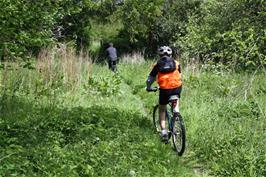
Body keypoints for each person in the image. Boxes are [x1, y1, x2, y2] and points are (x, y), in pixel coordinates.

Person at [146, 46, 182, 141]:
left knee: (162, 109)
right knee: (176, 97)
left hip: (165, 90)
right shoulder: (176, 63)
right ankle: (176, 112)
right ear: (171, 54)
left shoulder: (157, 65)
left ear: (160, 55)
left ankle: (164, 132)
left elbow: (150, 79)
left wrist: (149, 87)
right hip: (177, 88)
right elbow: (180, 75)